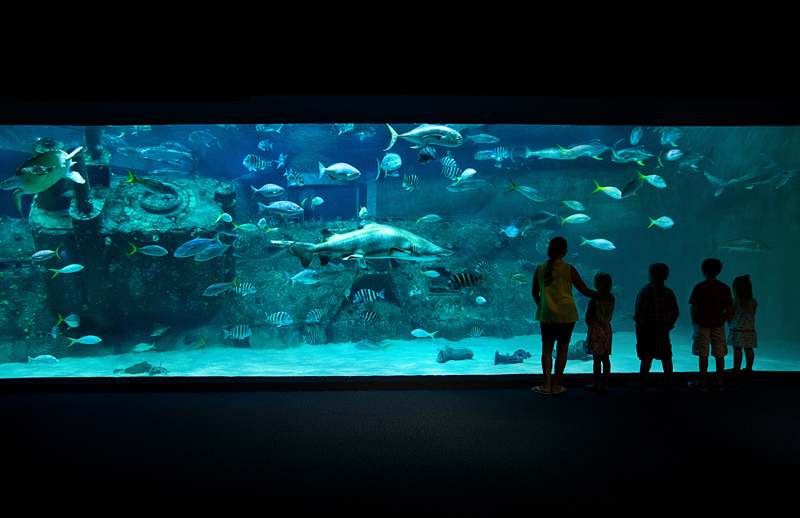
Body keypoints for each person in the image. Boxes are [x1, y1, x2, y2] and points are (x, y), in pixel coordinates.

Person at [531, 237, 615, 395]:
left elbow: (535, 293)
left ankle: (546, 385)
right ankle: (556, 386)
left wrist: (543, 307)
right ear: (565, 251)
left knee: (547, 351)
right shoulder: (569, 268)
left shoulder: (540, 268)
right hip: (567, 316)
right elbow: (585, 291)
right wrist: (605, 296)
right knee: (562, 351)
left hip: (547, 316)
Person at [629, 263, 680, 393]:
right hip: (663, 329)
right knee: (666, 356)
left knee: (646, 357)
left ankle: (641, 383)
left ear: (650, 275)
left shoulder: (645, 291)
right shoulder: (669, 292)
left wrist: (639, 331)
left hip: (648, 328)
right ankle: (669, 382)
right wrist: (668, 325)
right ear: (666, 276)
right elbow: (675, 312)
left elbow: (640, 314)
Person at [688, 258, 733, 392]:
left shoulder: (700, 287)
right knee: (719, 353)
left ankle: (703, 382)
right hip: (718, 324)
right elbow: (729, 309)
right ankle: (719, 382)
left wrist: (694, 320)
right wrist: (723, 319)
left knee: (703, 352)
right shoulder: (725, 288)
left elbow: (694, 307)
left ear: (704, 271)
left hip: (702, 324)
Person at [584, 272, 614, 393]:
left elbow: (587, 318)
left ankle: (596, 384)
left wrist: (591, 327)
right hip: (607, 328)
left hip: (595, 329)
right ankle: (605, 384)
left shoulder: (593, 301)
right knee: (605, 358)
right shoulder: (611, 299)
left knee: (596, 358)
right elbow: (610, 317)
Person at [726, 274, 758, 378]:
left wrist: (730, 325)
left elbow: (730, 315)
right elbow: (753, 313)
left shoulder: (734, 302)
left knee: (737, 349)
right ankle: (749, 369)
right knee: (749, 348)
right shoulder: (753, 301)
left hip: (737, 329)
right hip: (749, 329)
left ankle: (737, 369)